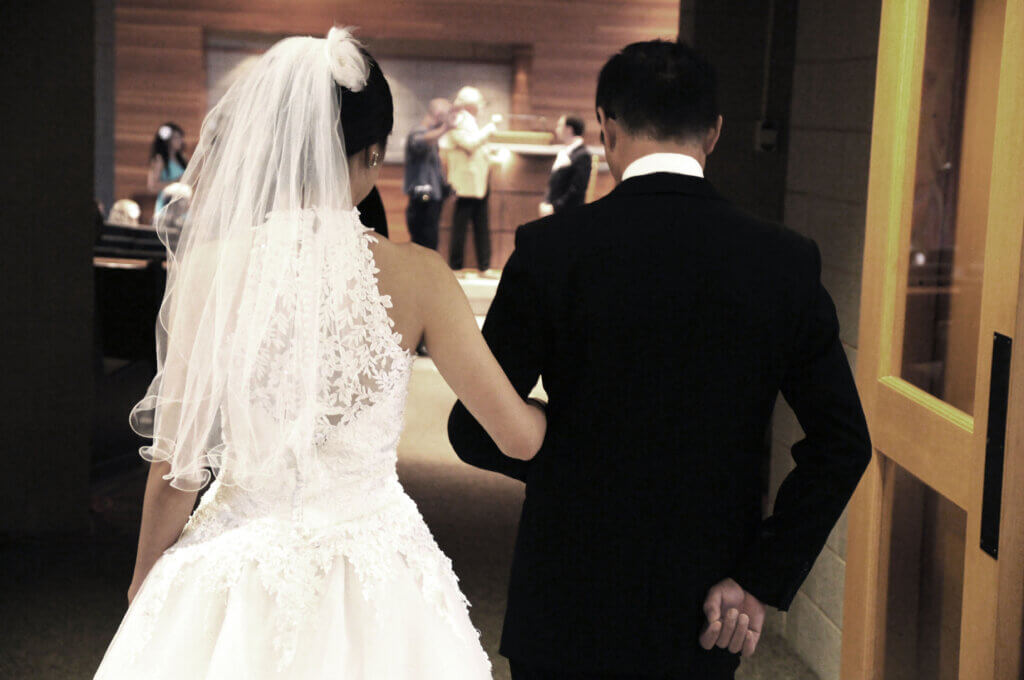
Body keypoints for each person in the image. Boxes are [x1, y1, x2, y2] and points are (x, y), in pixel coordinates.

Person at [94, 27, 546, 679]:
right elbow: (516, 436)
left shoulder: (209, 272)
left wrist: (145, 583)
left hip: (235, 552)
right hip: (376, 560)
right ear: (371, 153)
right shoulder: (420, 276)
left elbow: (176, 470)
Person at [448, 39, 871, 679]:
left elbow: (474, 428)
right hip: (705, 600)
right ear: (715, 132)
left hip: (567, 591)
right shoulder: (783, 260)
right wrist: (760, 576)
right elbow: (843, 443)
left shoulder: (551, 249)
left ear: (607, 129)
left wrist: (571, 464)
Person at [442, 86, 500, 278]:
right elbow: (469, 144)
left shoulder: (470, 121)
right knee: (461, 225)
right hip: (465, 183)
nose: (481, 108)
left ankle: (484, 266)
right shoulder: (458, 120)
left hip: (478, 181)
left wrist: (490, 156)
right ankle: (456, 266)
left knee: (481, 224)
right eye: (479, 104)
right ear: (471, 105)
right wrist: (489, 129)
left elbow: (475, 148)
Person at [404, 98, 453, 250]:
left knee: (430, 241)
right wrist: (445, 129)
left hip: (433, 197)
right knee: (423, 242)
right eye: (447, 116)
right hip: (422, 196)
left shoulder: (433, 136)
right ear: (438, 115)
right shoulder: (418, 131)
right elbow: (420, 142)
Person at [539, 115, 591, 216]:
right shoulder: (565, 152)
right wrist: (546, 203)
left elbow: (576, 189)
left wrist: (555, 207)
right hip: (554, 212)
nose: (556, 129)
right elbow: (553, 183)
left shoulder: (582, 155)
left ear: (569, 129)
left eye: (559, 125)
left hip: (569, 214)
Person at [147, 122, 188, 214]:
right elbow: (152, 186)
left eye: (180, 137)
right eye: (176, 138)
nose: (180, 141)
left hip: (183, 203)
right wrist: (176, 182)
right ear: (168, 140)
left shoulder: (182, 159)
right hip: (167, 203)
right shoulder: (160, 160)